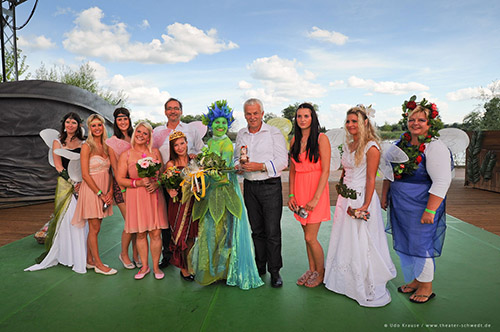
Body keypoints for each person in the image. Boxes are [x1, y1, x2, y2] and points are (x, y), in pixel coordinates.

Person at [324, 105, 396, 306]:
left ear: (365, 122)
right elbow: (345, 171)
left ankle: (363, 279)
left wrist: (365, 205)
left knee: (362, 239)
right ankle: (341, 279)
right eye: (348, 121)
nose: (350, 125)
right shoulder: (348, 145)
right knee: (344, 236)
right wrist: (340, 188)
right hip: (345, 197)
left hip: (362, 196)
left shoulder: (371, 147)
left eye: (354, 121)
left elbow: (371, 178)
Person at [382, 97, 451, 304]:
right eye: (412, 120)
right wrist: (384, 195)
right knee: (405, 242)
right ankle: (415, 280)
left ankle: (426, 286)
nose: (416, 124)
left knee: (422, 244)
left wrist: (430, 210)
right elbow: (388, 172)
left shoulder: (434, 146)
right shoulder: (400, 143)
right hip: (401, 204)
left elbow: (442, 179)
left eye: (421, 120)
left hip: (422, 204)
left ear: (430, 123)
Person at [189, 101, 264, 290]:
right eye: (217, 122)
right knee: (209, 231)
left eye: (224, 122)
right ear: (211, 124)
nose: (220, 126)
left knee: (224, 231)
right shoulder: (210, 142)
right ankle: (212, 270)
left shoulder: (226, 144)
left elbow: (225, 170)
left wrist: (215, 173)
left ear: (228, 124)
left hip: (223, 191)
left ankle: (224, 270)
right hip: (210, 192)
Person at [234, 98, 288, 288]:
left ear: (262, 113)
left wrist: (261, 166)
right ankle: (260, 265)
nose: (252, 117)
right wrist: (238, 167)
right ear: (244, 115)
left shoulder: (274, 133)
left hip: (270, 185)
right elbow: (236, 159)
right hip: (250, 186)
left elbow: (283, 161)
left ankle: (275, 271)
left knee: (272, 231)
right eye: (248, 114)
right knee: (257, 230)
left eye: (255, 113)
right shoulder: (241, 134)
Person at [25, 112, 86, 274]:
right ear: (64, 124)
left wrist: (82, 182)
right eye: (68, 122)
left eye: (74, 122)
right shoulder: (57, 142)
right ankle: (67, 255)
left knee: (82, 219)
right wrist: (73, 182)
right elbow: (59, 166)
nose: (70, 125)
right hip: (66, 184)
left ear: (79, 125)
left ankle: (81, 255)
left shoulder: (84, 142)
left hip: (83, 184)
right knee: (68, 218)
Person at [152, 98, 204, 269]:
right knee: (168, 223)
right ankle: (169, 256)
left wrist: (196, 159)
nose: (173, 111)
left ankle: (186, 262)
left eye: (176, 108)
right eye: (169, 108)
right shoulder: (158, 132)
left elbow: (199, 150)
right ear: (165, 111)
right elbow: (152, 154)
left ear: (181, 111)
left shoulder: (190, 129)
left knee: (190, 228)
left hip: (190, 185)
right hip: (169, 183)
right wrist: (166, 184)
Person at [117, 121, 169, 280]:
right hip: (136, 196)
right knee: (140, 233)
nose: (140, 135)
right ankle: (144, 267)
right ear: (134, 134)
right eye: (138, 131)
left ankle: (155, 267)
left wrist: (157, 183)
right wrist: (137, 182)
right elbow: (120, 179)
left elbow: (162, 175)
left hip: (154, 196)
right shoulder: (126, 154)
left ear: (149, 137)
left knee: (156, 232)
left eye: (145, 133)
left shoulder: (155, 152)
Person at [287, 103, 331, 288]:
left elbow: (326, 171)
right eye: (299, 116)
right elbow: (292, 171)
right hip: (300, 192)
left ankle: (321, 273)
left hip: (316, 193)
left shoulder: (322, 139)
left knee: (310, 238)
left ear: (313, 118)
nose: (302, 119)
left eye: (306, 116)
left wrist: (315, 198)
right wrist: (291, 194)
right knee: (306, 234)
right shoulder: (294, 141)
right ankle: (311, 269)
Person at [72, 114, 117, 276]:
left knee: (97, 227)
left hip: (105, 189)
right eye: (94, 125)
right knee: (94, 228)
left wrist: (110, 191)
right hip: (92, 191)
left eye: (100, 125)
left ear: (103, 127)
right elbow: (85, 174)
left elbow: (111, 172)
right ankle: (98, 264)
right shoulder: (87, 146)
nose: (97, 128)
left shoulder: (106, 145)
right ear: (89, 128)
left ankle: (90, 260)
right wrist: (100, 194)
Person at [106, 107, 140, 269]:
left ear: (129, 120)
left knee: (138, 223)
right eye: (119, 119)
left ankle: (136, 254)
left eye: (125, 118)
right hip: (122, 185)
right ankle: (123, 254)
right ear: (116, 122)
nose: (123, 122)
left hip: (137, 183)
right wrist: (123, 189)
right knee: (131, 222)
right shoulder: (112, 142)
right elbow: (114, 167)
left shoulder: (136, 137)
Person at [165, 131, 198, 281]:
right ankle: (183, 268)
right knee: (180, 238)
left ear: (187, 143)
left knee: (191, 236)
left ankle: (189, 263)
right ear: (172, 147)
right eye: (176, 145)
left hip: (193, 202)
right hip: (178, 204)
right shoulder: (171, 164)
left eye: (182, 143)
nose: (179, 147)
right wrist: (169, 190)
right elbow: (167, 183)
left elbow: (201, 180)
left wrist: (199, 188)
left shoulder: (194, 161)